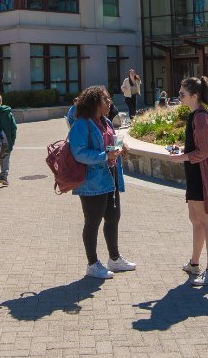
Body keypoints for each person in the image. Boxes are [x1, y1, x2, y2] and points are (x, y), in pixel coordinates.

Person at [68, 86, 134, 279]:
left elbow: (110, 143)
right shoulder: (82, 125)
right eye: (106, 100)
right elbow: (78, 153)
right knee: (93, 222)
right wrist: (106, 155)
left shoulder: (105, 121)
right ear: (95, 102)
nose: (109, 103)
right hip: (92, 181)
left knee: (113, 217)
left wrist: (121, 146)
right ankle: (92, 264)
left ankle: (114, 259)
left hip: (110, 176)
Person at [165, 76, 208, 286]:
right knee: (196, 220)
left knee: (207, 223)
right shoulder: (195, 116)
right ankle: (195, 263)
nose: (179, 97)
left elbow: (206, 151)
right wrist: (183, 152)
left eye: (182, 94)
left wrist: (182, 157)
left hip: (201, 176)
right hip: (195, 174)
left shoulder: (200, 117)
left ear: (194, 96)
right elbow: (198, 147)